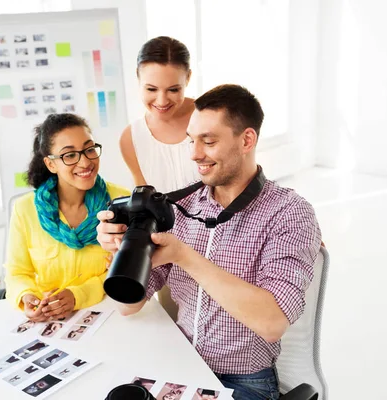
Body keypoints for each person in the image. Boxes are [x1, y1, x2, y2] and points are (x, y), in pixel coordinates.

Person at [96, 85, 322, 400]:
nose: (194, 153)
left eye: (209, 141)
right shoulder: (180, 206)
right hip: (180, 366)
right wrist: (122, 251)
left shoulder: (289, 213)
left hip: (244, 382)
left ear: (246, 140)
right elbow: (127, 306)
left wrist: (186, 257)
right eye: (192, 140)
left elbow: (272, 322)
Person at [4, 113, 130, 323]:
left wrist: (78, 295)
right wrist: (27, 297)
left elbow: (127, 271)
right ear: (51, 164)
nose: (85, 162)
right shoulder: (25, 209)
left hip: (111, 316)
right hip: (49, 322)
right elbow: (17, 273)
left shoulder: (122, 202)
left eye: (89, 149)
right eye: (69, 155)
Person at [119, 36, 201, 318]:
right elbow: (148, 205)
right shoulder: (132, 138)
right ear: (138, 79)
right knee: (177, 334)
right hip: (171, 254)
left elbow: (244, 178)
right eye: (151, 89)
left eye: (174, 89)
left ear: (188, 77)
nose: (162, 100)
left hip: (227, 244)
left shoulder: (211, 115)